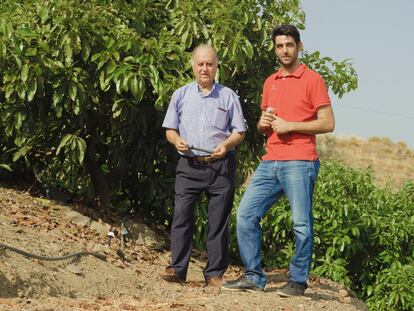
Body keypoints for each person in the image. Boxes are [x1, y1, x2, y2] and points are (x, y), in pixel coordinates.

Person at [221, 24, 335, 296]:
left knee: (301, 224)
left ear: (299, 46)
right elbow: (265, 124)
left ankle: (297, 281)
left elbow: (328, 123)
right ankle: (253, 277)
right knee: (246, 214)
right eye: (280, 46)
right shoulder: (270, 82)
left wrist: (291, 126)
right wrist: (263, 123)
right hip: (270, 160)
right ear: (275, 49)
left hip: (301, 161)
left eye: (289, 45)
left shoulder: (313, 80)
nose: (285, 50)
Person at [161, 44, 246, 286]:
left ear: (216, 66)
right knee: (181, 216)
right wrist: (177, 140)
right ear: (193, 66)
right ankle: (177, 270)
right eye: (200, 64)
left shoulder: (228, 96)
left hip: (221, 167)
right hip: (189, 166)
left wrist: (227, 145)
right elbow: (170, 129)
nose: (205, 68)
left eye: (209, 64)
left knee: (218, 222)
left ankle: (215, 274)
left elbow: (239, 132)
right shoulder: (180, 95)